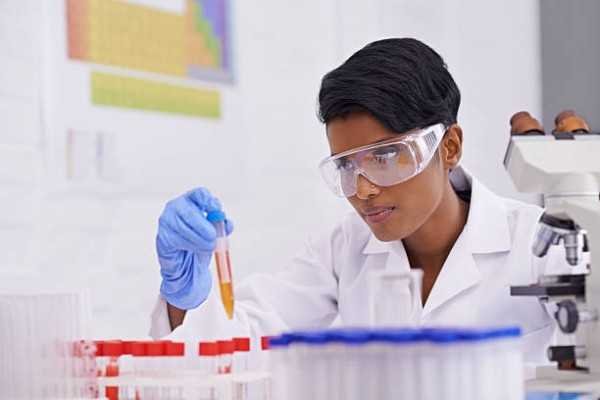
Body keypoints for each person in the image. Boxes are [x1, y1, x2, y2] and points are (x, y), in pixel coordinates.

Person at [150, 38, 570, 363]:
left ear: (449, 147)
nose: (363, 190)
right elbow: (239, 345)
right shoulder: (342, 251)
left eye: (385, 157)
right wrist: (186, 299)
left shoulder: (542, 246)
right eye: (347, 166)